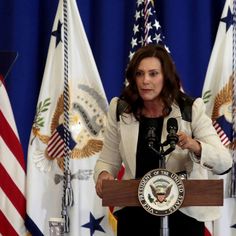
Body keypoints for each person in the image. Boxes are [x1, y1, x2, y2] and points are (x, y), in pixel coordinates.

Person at [93, 44, 232, 236]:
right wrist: (103, 175)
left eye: (153, 74)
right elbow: (107, 160)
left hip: (184, 216)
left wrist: (195, 146)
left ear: (165, 77)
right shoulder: (121, 109)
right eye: (139, 74)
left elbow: (224, 162)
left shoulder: (190, 109)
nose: (145, 81)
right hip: (134, 215)